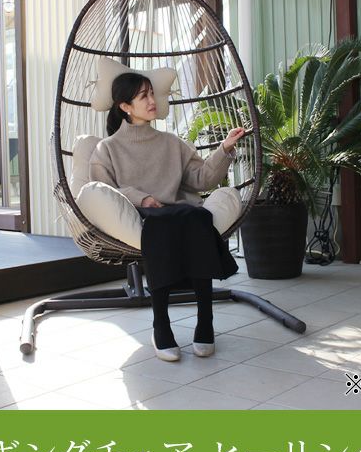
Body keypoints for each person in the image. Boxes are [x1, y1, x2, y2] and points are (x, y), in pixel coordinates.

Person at [89, 72, 245, 362]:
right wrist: (142, 198)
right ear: (125, 106)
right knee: (161, 225)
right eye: (143, 96)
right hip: (142, 215)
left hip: (178, 213)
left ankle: (206, 321)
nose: (152, 101)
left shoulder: (172, 143)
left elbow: (202, 179)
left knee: (198, 218)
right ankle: (160, 324)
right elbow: (103, 190)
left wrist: (224, 148)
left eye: (152, 93)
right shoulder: (107, 148)